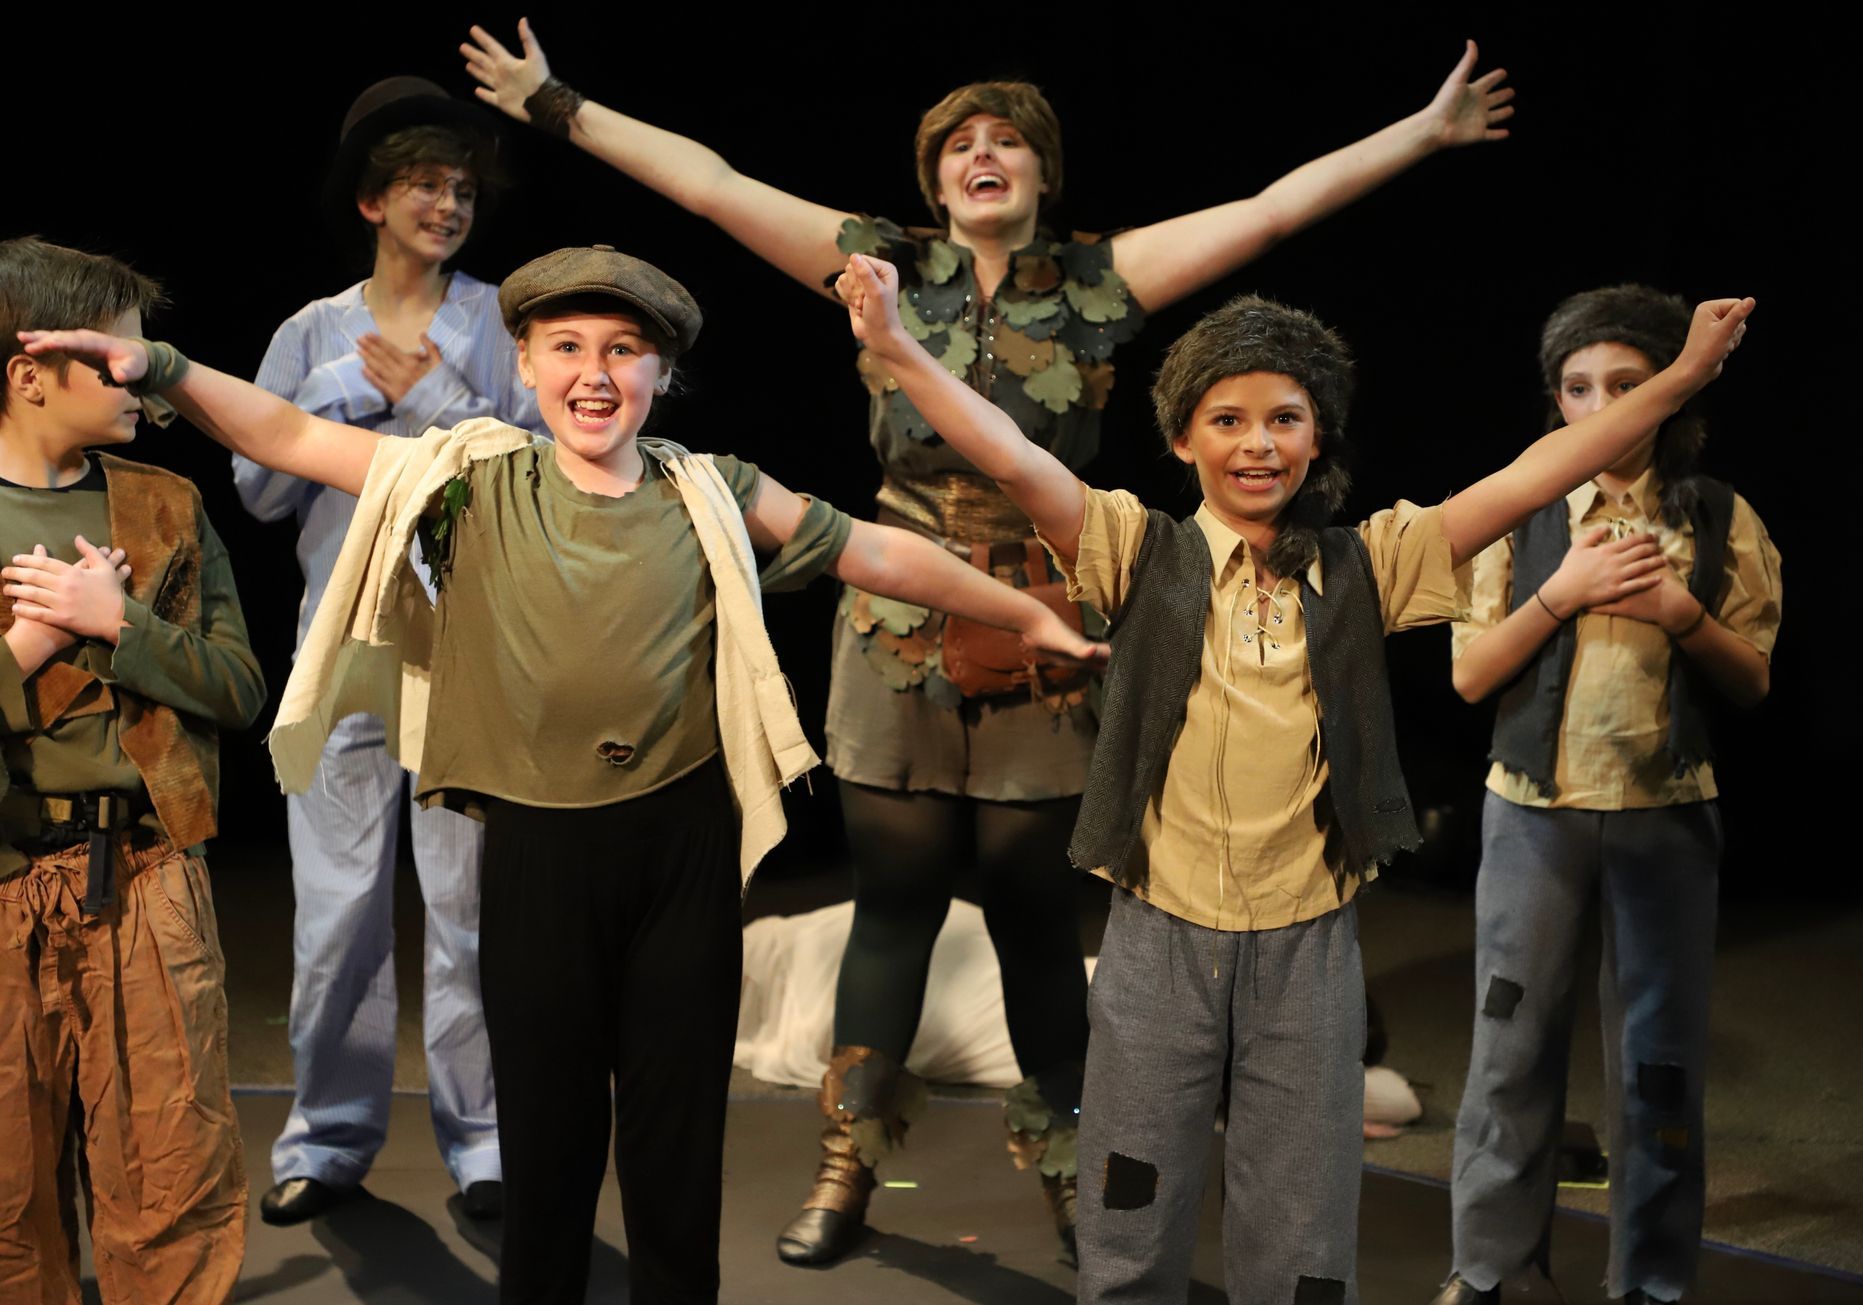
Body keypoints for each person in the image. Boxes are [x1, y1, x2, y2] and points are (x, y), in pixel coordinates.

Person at [459, 19, 1517, 1264]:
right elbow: (711, 182)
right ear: (932, 173)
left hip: (1050, 622)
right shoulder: (875, 262)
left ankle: (1080, 1174)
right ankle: (847, 1165)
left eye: (1009, 138)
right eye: (960, 139)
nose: (984, 151)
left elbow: (1276, 207)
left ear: (1042, 171)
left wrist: (1424, 131)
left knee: (1029, 909)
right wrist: (553, 103)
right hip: (898, 622)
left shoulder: (1100, 284)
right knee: (894, 903)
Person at [21, 242, 1105, 1305]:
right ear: (526, 365)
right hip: (539, 850)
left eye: (626, 349)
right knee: (547, 1147)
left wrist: (1021, 614)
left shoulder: (709, 491)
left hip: (680, 850)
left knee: (676, 1141)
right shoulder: (473, 479)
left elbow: (876, 551)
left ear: (659, 375)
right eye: (567, 346)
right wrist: (159, 367)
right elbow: (291, 433)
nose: (596, 372)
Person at [833, 251, 1753, 1302]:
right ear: (1183, 438)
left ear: (1318, 440)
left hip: (1308, 945)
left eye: (1284, 418)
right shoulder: (1136, 548)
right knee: (1131, 1200)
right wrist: (898, 348)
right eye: (1226, 420)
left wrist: (1677, 380)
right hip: (1160, 940)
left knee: (1304, 1224)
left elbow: (1528, 478)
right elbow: (1011, 456)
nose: (1257, 444)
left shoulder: (1376, 563)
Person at [1433, 286, 1782, 1305]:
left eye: (1626, 385)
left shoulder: (1716, 516)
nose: (1601, 406)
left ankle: (1652, 1280)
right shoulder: (1522, 512)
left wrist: (1679, 611)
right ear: (1556, 405)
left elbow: (1753, 677)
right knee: (1511, 1047)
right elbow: (1467, 676)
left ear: (1668, 395)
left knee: (1658, 1066)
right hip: (1534, 819)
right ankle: (1492, 1270)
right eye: (1578, 389)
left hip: (1664, 817)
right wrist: (1562, 592)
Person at [236, 74, 541, 1229]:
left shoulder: (503, 318)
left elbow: (541, 473)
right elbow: (259, 490)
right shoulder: (310, 331)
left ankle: (486, 1144)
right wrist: (341, 390)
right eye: (424, 184)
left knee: (470, 915)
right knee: (335, 914)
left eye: (462, 188)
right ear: (373, 199)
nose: (448, 205)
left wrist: (450, 396)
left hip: (469, 651)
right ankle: (328, 1137)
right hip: (345, 648)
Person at [1, 236, 266, 1303]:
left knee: (171, 1174)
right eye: (115, 355)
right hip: (7, 875)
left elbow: (241, 689)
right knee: (10, 1189)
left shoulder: (163, 505)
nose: (140, 377)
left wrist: (121, 628)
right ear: (28, 374)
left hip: (145, 876)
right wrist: (30, 649)